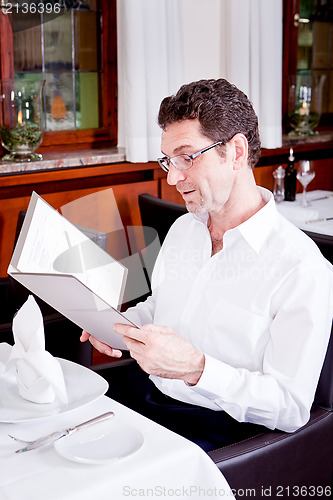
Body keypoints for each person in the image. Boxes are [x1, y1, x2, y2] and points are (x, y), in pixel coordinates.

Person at [81, 79, 333, 451]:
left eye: (187, 157)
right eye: (168, 160)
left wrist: (198, 369)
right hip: (149, 401)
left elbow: (290, 406)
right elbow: (161, 309)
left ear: (235, 151)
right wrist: (118, 326)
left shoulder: (301, 269)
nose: (172, 178)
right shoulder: (185, 229)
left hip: (226, 438)